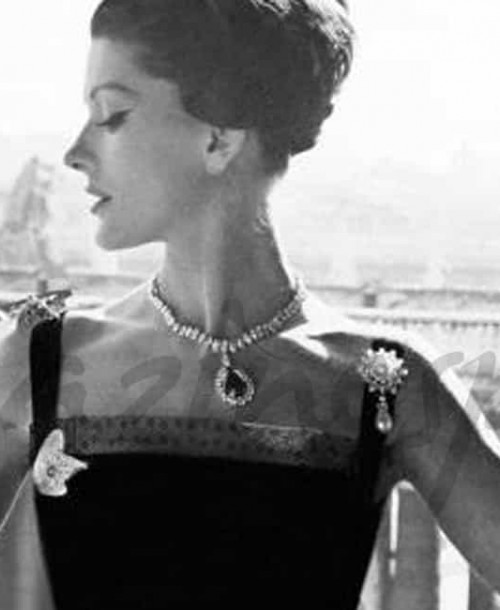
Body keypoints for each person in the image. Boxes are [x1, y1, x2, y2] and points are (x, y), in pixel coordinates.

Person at [1, 0, 500, 608]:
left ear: (219, 138)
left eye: (112, 115)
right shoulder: (41, 359)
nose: (75, 152)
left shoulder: (388, 384)